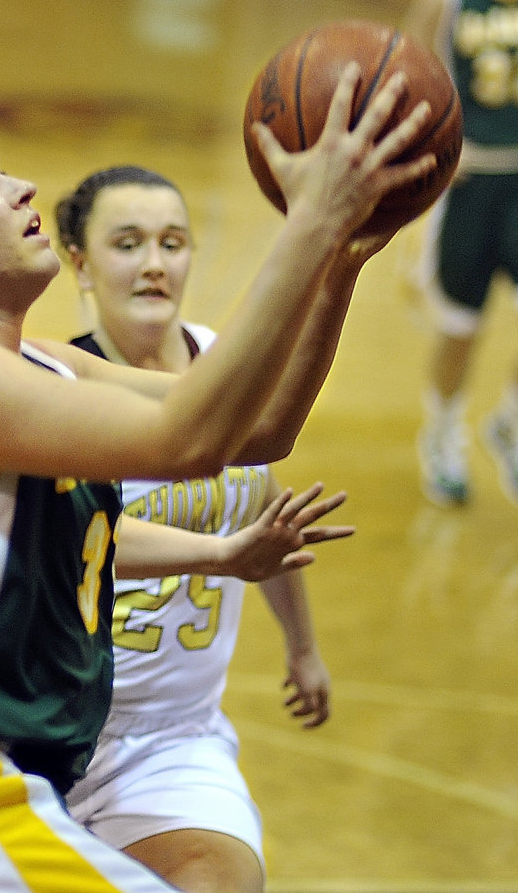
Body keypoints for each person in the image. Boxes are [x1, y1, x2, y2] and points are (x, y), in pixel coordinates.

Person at [0, 65, 435, 893]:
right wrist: (308, 220)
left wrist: (339, 259)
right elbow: (187, 438)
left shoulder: (39, 366)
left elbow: (261, 430)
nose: (22, 187)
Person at [55, 165, 336, 893]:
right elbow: (76, 543)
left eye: (172, 242)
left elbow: (260, 515)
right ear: (79, 261)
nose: (154, 263)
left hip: (173, 739)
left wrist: (302, 646)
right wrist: (223, 554)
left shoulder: (219, 359)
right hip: (48, 729)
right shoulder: (55, 392)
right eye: (128, 243)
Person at [405, 0, 518, 505]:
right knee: (462, 330)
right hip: (471, 185)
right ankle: (441, 435)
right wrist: (433, 144)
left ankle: (513, 423)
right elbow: (405, 71)